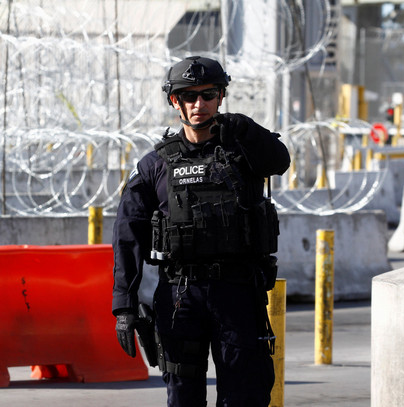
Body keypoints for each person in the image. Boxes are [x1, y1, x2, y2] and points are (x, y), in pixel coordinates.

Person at [112, 56, 290, 407]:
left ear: (221, 96)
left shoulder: (244, 151)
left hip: (238, 293)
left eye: (208, 94)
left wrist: (247, 129)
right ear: (173, 101)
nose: (199, 104)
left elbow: (279, 161)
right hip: (180, 297)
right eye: (188, 96)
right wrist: (124, 306)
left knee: (245, 395)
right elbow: (127, 232)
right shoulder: (156, 165)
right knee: (183, 397)